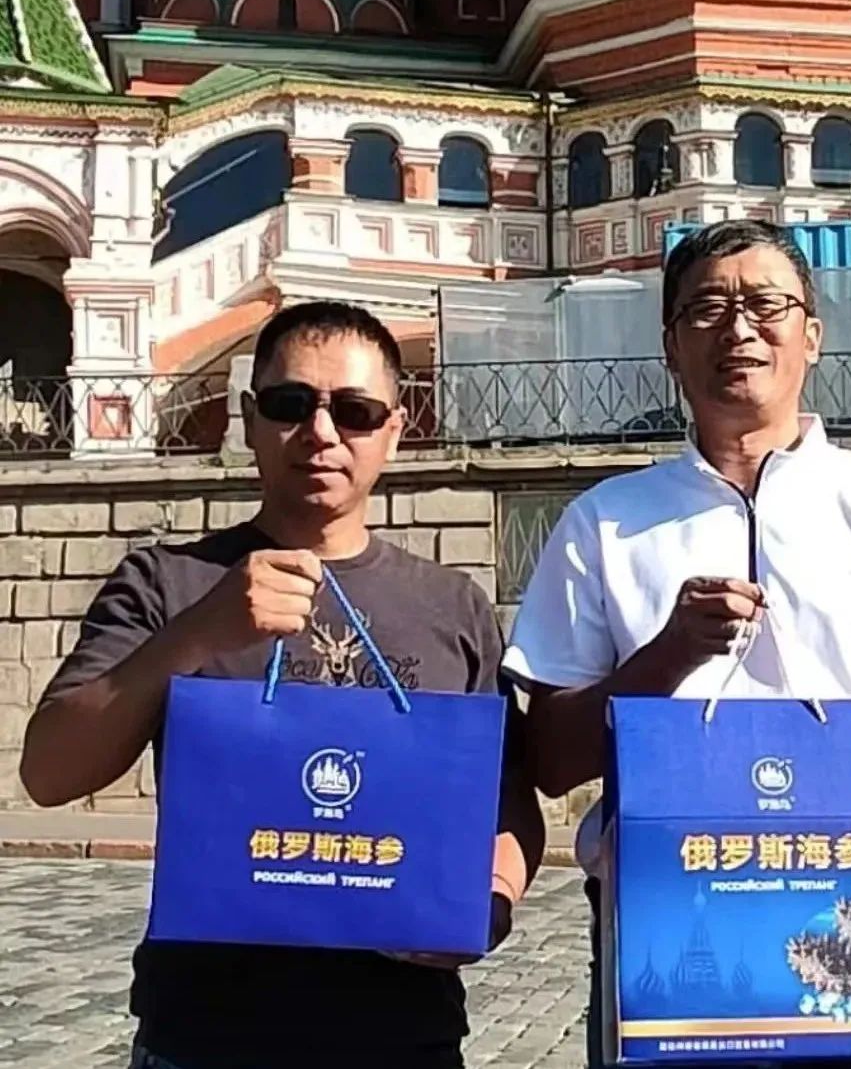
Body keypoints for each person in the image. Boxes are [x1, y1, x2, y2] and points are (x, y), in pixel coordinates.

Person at [502, 220, 851, 1069]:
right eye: (707, 308)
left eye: (766, 305)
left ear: (812, 335)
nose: (739, 328)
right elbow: (551, 758)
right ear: (671, 346)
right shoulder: (602, 524)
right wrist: (666, 656)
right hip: (666, 936)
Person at [21, 301, 545, 1069]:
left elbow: (507, 800)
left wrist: (491, 903)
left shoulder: (452, 606)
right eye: (291, 404)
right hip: (205, 1036)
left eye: (356, 411)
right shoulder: (169, 583)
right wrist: (197, 634)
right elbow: (49, 772)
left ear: (395, 431)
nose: (321, 432)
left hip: (406, 1034)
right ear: (249, 417)